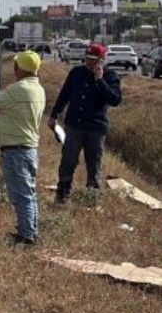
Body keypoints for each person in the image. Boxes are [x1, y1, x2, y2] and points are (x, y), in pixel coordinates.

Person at [47, 42, 122, 204]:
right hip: (74, 125)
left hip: (95, 128)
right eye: (87, 58)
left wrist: (100, 80)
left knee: (94, 164)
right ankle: (62, 194)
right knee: (68, 161)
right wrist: (54, 115)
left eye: (93, 60)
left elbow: (115, 100)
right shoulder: (76, 73)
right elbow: (64, 95)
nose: (89, 62)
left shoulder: (111, 77)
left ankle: (92, 199)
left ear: (102, 60)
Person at [0, 51, 46, 245]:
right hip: (28, 149)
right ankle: (31, 230)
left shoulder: (18, 89)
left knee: (21, 195)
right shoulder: (39, 89)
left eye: (16, 66)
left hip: (15, 150)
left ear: (20, 69)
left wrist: (1, 109)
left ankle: (26, 236)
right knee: (29, 193)